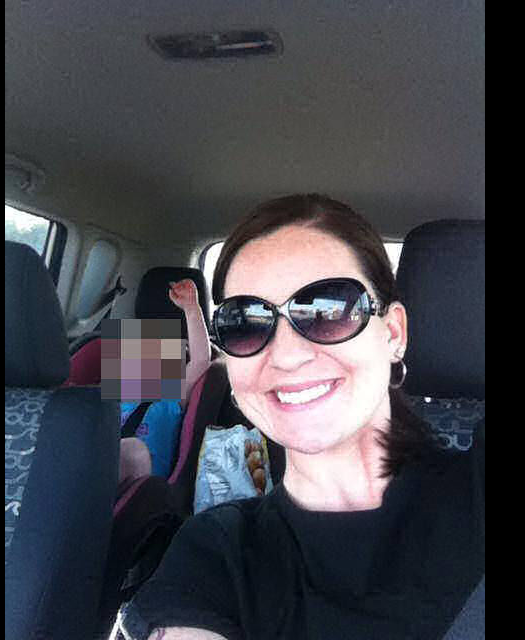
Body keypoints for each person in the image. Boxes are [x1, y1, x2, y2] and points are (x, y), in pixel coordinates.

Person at [116, 194, 485, 640]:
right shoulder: (213, 553)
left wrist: (190, 311)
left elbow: (194, 366)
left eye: (329, 309)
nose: (287, 356)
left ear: (393, 333)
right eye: (244, 322)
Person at [118, 278, 212, 486]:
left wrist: (191, 307)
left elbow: (201, 360)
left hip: (145, 484)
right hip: (102, 473)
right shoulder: (116, 401)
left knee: (133, 451)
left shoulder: (169, 398)